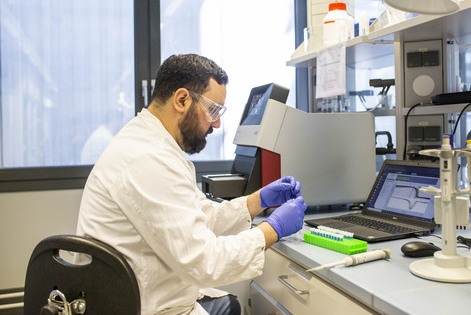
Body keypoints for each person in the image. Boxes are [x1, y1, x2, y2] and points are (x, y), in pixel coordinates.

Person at [76, 53, 307, 315]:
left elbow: (199, 218)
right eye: (213, 110)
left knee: (229, 304)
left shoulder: (152, 144)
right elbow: (206, 261)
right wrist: (272, 229)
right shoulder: (148, 158)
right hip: (145, 307)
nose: (218, 123)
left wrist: (257, 201)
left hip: (146, 294)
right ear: (182, 99)